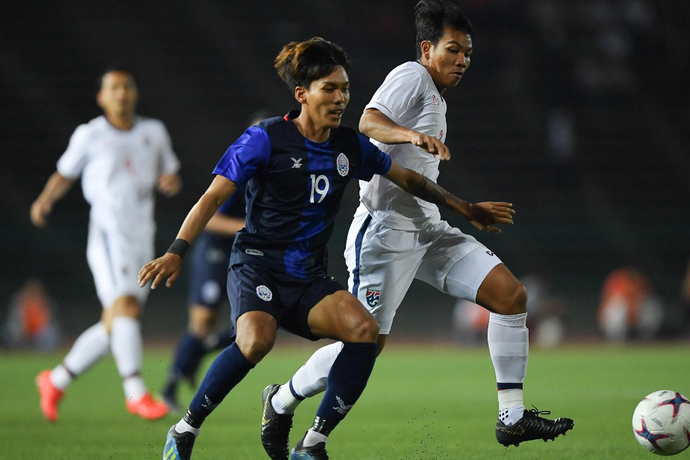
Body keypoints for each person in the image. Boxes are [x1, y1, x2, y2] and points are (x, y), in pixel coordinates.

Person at [138, 37, 512, 460]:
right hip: (259, 267)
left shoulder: (347, 146)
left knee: (364, 333)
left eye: (345, 89)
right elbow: (210, 198)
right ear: (302, 94)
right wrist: (176, 250)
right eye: (330, 89)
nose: (341, 98)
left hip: (308, 276)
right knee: (256, 342)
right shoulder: (265, 139)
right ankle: (185, 430)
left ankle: (313, 442)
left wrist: (462, 206)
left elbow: (406, 177)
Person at [262, 0, 574, 453]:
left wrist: (462, 208)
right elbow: (368, 120)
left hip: (428, 228)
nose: (462, 60)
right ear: (427, 48)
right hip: (385, 232)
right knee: (366, 345)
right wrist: (408, 135)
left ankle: (512, 417)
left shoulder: (435, 95)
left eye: (467, 52)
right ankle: (283, 399)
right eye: (453, 50)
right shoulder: (413, 75)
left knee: (510, 295)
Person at [31, 65, 181, 422]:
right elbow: (65, 173)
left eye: (127, 86)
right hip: (109, 232)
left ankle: (56, 379)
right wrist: (45, 199)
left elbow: (170, 172)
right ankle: (135, 392)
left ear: (135, 93)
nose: (122, 93)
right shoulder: (91, 134)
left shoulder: (153, 131)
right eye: (114, 88)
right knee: (126, 308)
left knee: (116, 320)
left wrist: (170, 181)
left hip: (142, 233)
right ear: (101, 97)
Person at [160, 113, 270, 412]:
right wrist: (249, 228)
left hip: (246, 254)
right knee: (202, 322)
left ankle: (200, 352)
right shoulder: (239, 171)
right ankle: (170, 386)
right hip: (215, 252)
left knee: (254, 324)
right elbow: (211, 219)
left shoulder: (275, 175)